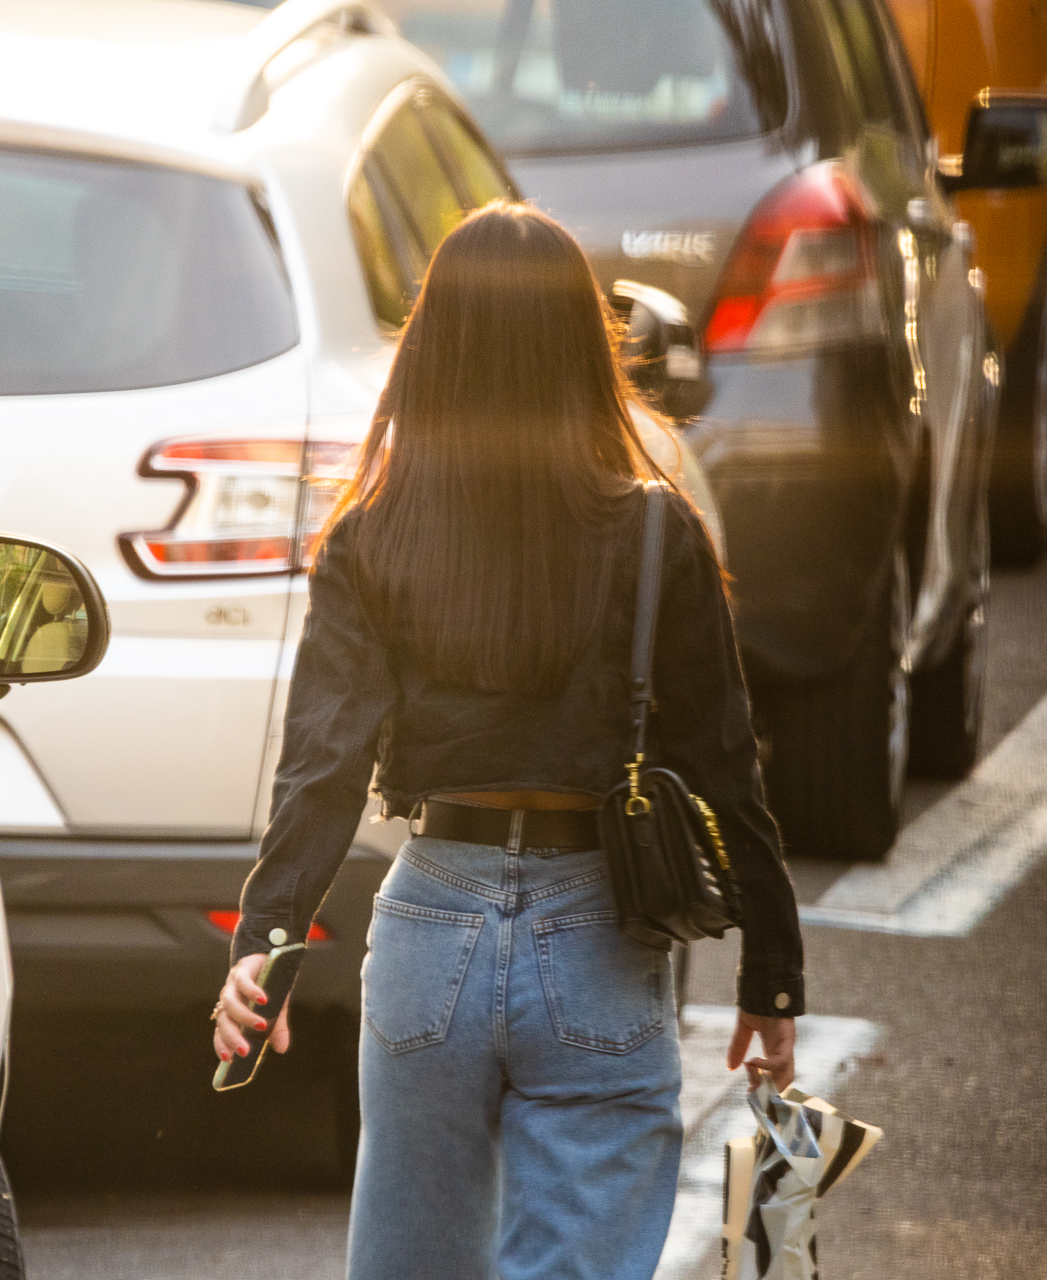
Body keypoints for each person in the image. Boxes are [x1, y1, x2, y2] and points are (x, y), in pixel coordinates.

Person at [210, 201, 803, 1280]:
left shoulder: (372, 532)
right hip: (598, 934)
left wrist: (268, 937)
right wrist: (773, 971)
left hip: (431, 920)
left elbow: (324, 761)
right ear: (586, 348)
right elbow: (726, 765)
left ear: (432, 346)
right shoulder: (657, 531)